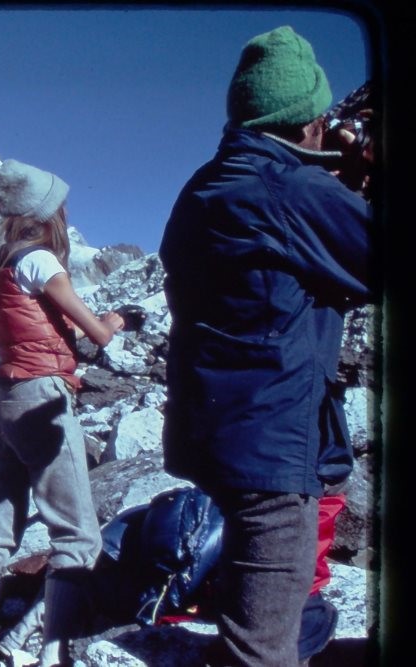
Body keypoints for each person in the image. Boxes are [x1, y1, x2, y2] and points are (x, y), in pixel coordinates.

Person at [157, 26, 372, 666]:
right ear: (306, 119)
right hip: (271, 448)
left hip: (215, 432)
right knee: (263, 648)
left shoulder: (205, 186)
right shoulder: (294, 191)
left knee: (268, 605)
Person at [0, 158, 125, 666]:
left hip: (4, 397)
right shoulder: (41, 261)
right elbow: (97, 334)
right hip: (42, 399)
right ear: (46, 213)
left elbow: (33, 325)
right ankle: (47, 652)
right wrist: (116, 318)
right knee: (77, 535)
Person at [0, 486, 346, 667]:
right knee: (95, 587)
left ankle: (21, 634)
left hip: (142, 538)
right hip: (142, 567)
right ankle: (28, 636)